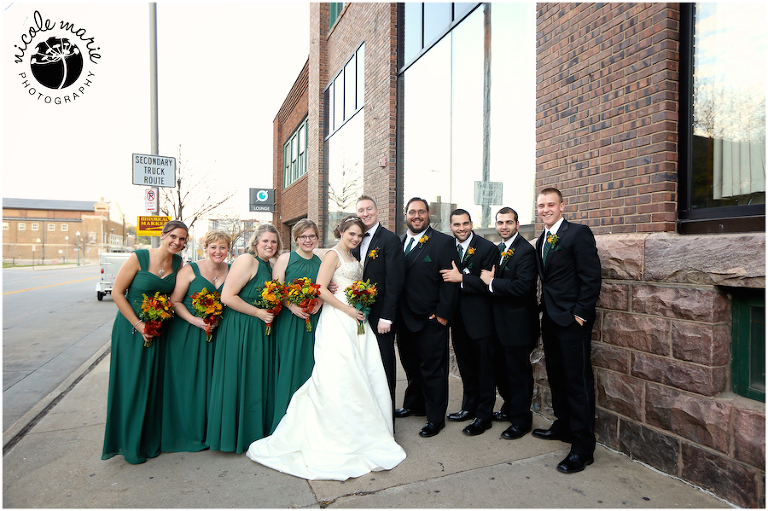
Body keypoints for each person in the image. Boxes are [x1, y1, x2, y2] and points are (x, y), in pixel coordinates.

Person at [246, 215, 405, 481]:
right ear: (341, 231)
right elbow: (320, 289)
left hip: (354, 317)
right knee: (338, 371)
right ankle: (334, 431)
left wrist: (359, 302)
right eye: (350, 233)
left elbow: (338, 285)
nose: (354, 238)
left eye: (358, 235)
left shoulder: (353, 258)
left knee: (362, 369)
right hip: (339, 318)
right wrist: (347, 309)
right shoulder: (332, 255)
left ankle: (362, 428)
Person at [102, 220, 188, 464]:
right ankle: (128, 443)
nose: (177, 242)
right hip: (131, 329)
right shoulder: (139, 257)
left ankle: (150, 438)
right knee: (132, 383)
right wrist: (139, 325)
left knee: (153, 384)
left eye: (182, 239)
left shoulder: (179, 263)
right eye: (173, 236)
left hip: (159, 330)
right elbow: (118, 293)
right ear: (163, 235)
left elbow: (176, 297)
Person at [533, 188, 602, 474]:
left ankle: (583, 448)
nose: (546, 209)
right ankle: (563, 426)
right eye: (541, 206)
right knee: (557, 378)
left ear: (562, 206)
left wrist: (580, 315)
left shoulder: (578, 233)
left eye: (551, 205)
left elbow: (591, 276)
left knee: (577, 383)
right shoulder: (541, 240)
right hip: (550, 319)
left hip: (572, 322)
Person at [206, 224, 282, 454]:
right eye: (265, 241)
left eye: (274, 242)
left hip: (260, 329)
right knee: (238, 378)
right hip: (240, 328)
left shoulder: (269, 266)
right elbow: (227, 297)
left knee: (255, 379)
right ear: (256, 242)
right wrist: (259, 313)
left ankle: (252, 434)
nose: (269, 245)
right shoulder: (246, 261)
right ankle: (232, 436)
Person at [465, 207, 538, 440]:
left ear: (517, 224)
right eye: (500, 222)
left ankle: (521, 421)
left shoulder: (525, 251)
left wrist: (492, 282)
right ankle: (509, 408)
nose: (504, 226)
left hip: (518, 326)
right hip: (498, 324)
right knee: (503, 373)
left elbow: (523, 287)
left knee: (518, 375)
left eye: (508, 222)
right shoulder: (499, 249)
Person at [395, 197, 460, 438]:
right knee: (411, 366)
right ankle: (414, 405)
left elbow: (450, 281)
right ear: (405, 215)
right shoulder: (398, 242)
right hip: (404, 319)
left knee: (433, 371)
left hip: (431, 319)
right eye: (412, 212)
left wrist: (443, 314)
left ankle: (435, 418)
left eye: (421, 212)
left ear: (428, 215)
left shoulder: (442, 242)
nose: (417, 216)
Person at [161, 230, 231, 452]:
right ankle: (187, 433)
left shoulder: (231, 270)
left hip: (217, 334)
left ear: (228, 249)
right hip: (188, 332)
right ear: (205, 248)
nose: (217, 252)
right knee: (189, 382)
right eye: (213, 247)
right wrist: (195, 320)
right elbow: (175, 301)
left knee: (211, 383)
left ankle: (210, 432)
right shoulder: (190, 270)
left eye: (222, 247)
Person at [439, 209, 497, 436]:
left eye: (465, 224)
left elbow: (486, 284)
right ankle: (468, 407)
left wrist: (461, 278)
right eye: (456, 225)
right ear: (451, 226)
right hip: (457, 319)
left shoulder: (487, 248)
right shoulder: (448, 248)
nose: (461, 228)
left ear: (471, 224)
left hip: (480, 319)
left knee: (484, 369)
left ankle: (484, 416)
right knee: (466, 367)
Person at [268, 219, 323, 434]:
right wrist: (291, 306)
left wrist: (319, 302)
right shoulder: (286, 258)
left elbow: (325, 289)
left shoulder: (320, 262)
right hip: (290, 320)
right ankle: (284, 420)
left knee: (310, 365)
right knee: (290, 363)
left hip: (313, 319)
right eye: (303, 236)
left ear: (316, 238)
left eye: (311, 236)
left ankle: (307, 421)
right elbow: (275, 289)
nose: (307, 240)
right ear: (296, 238)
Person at [352, 195, 405, 415]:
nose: (365, 214)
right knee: (364, 362)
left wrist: (387, 316)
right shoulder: (354, 239)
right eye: (361, 211)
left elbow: (395, 280)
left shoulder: (389, 239)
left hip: (381, 314)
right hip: (358, 312)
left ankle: (386, 411)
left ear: (377, 210)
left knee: (384, 362)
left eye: (369, 209)